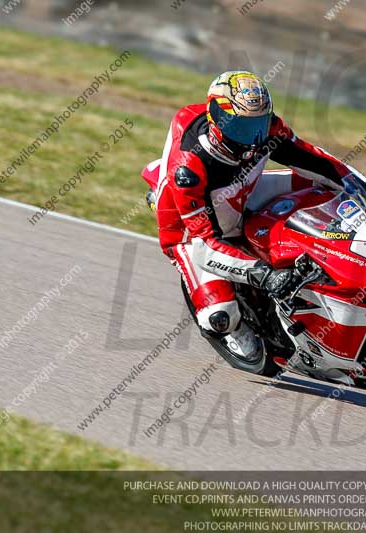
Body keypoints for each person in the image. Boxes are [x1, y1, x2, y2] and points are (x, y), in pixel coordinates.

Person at [146, 70, 349, 358]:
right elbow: (206, 243)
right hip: (192, 233)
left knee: (326, 187)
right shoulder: (189, 169)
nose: (253, 139)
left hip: (243, 191)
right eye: (242, 128)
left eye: (258, 125)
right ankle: (232, 331)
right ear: (218, 120)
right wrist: (264, 275)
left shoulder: (267, 128)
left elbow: (313, 159)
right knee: (219, 316)